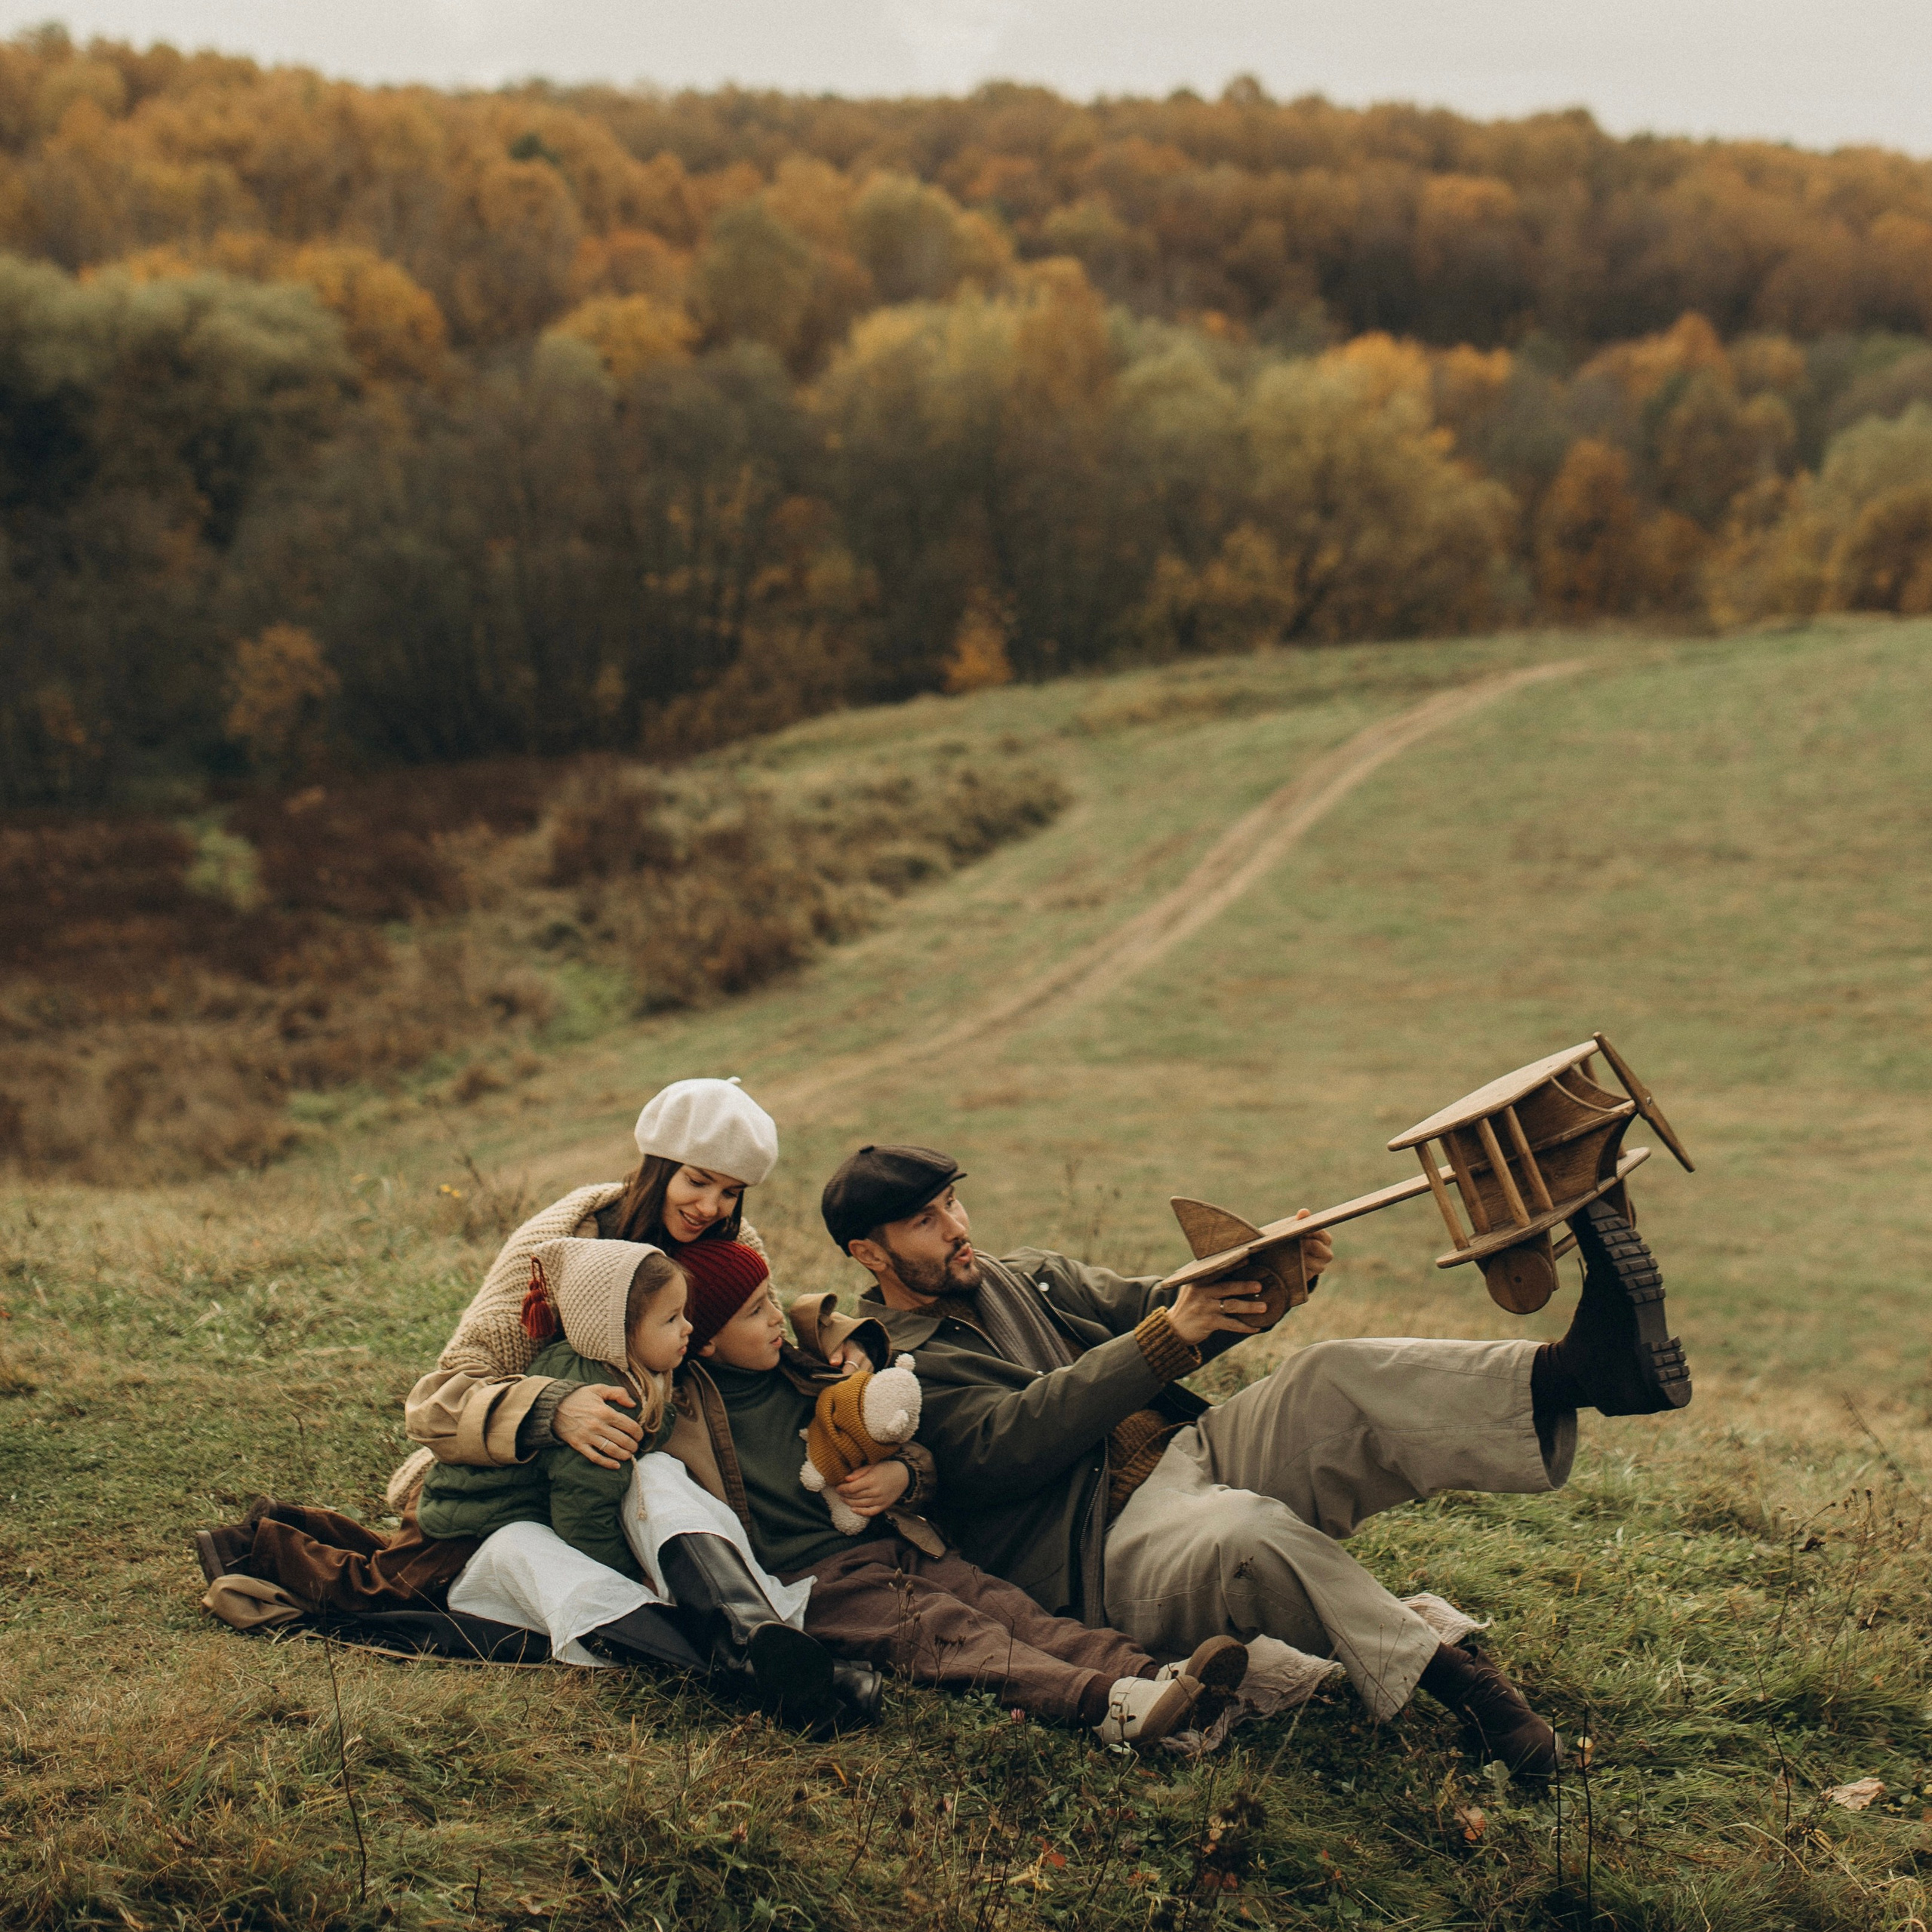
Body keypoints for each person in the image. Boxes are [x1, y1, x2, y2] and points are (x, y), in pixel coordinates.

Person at [820, 1144, 1697, 1777]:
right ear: (869, 1252)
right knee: (1247, 1531)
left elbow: (1157, 1301)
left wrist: (1267, 1277)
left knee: (1332, 1373)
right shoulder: (891, 1363)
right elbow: (1009, 1446)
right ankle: (1470, 1693)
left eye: (953, 1205)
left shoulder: (1024, 1274)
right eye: (924, 1221)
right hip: (1101, 1551)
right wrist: (1168, 1335)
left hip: (1187, 1453)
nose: (954, 1228)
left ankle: (1581, 1371)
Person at [653, 1235, 1254, 1748]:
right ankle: (1109, 1704)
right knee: (955, 1635)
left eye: (772, 1301)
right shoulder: (680, 1410)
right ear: (700, 1342)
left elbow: (903, 1442)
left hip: (897, 1543)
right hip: (815, 1582)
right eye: (756, 1312)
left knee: (1010, 1608)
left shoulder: (811, 1370)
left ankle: (1152, 1674)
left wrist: (905, 1477)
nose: (776, 1318)